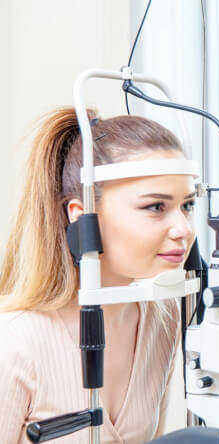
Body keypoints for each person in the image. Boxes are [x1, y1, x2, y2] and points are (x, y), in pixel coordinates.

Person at [0, 107, 197, 443]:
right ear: (83, 215)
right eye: (156, 207)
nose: (183, 229)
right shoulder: (15, 342)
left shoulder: (162, 317)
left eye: (187, 205)